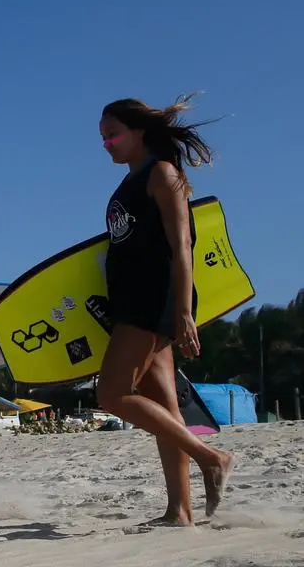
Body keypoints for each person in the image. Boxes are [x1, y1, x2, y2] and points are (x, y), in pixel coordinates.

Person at [95, 95, 234, 525]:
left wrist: (184, 311)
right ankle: (180, 511)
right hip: (131, 299)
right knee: (163, 406)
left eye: (113, 134)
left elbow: (182, 244)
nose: (106, 144)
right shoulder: (130, 182)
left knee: (111, 394)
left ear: (139, 131)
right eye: (103, 138)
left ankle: (211, 457)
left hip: (152, 298)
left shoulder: (162, 173)